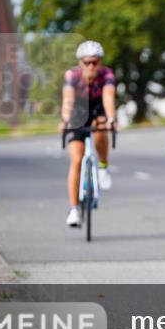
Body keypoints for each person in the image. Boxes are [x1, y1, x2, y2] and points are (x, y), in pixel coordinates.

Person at [59, 40, 117, 227]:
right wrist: (65, 119)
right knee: (76, 160)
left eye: (95, 62)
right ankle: (74, 209)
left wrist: (111, 119)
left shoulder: (107, 74)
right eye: (86, 62)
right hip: (78, 110)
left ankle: (102, 166)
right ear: (79, 62)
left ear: (100, 62)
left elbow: (108, 98)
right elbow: (68, 100)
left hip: (98, 109)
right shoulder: (72, 75)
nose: (91, 66)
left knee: (101, 126)